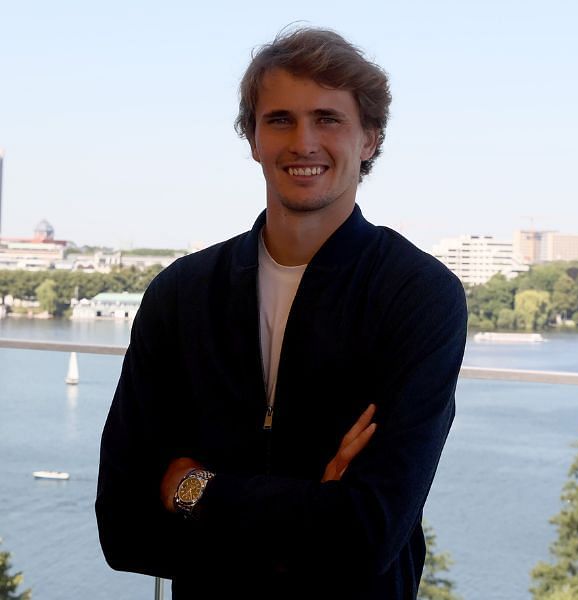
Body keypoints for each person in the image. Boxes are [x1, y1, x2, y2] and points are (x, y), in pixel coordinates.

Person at [95, 27, 467, 599]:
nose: (304, 142)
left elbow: (367, 535)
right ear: (253, 139)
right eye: (280, 120)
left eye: (328, 119)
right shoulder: (182, 294)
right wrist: (315, 506)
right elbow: (123, 527)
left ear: (369, 139)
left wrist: (193, 489)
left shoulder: (418, 295)